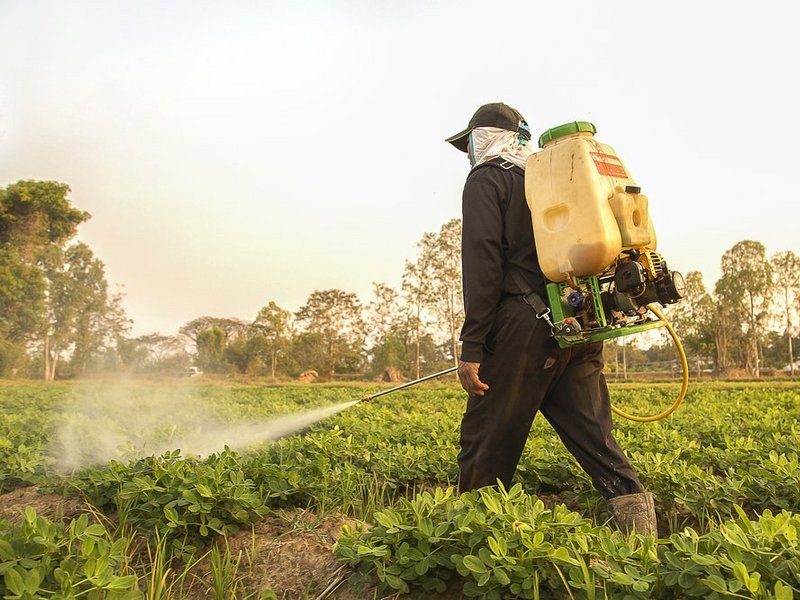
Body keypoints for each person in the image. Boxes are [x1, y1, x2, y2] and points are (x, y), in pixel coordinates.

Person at [445, 102, 657, 535]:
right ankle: (643, 541)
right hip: (577, 323)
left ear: (481, 139)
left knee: (485, 440)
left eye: (468, 143)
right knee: (596, 440)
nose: (467, 153)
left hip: (522, 329)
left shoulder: (488, 179)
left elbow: (483, 265)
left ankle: (469, 544)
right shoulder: (552, 181)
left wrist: (472, 348)